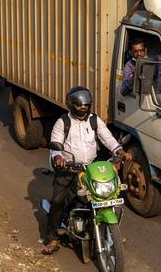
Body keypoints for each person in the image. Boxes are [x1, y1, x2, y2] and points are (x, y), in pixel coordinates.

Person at [41, 86, 131, 255]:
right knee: (58, 201)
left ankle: (113, 232)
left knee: (108, 195)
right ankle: (52, 238)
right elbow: (55, 144)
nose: (83, 108)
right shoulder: (63, 122)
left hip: (91, 167)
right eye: (79, 105)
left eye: (86, 105)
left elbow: (108, 139)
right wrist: (58, 158)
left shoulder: (94, 120)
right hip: (68, 168)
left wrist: (119, 151)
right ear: (71, 105)